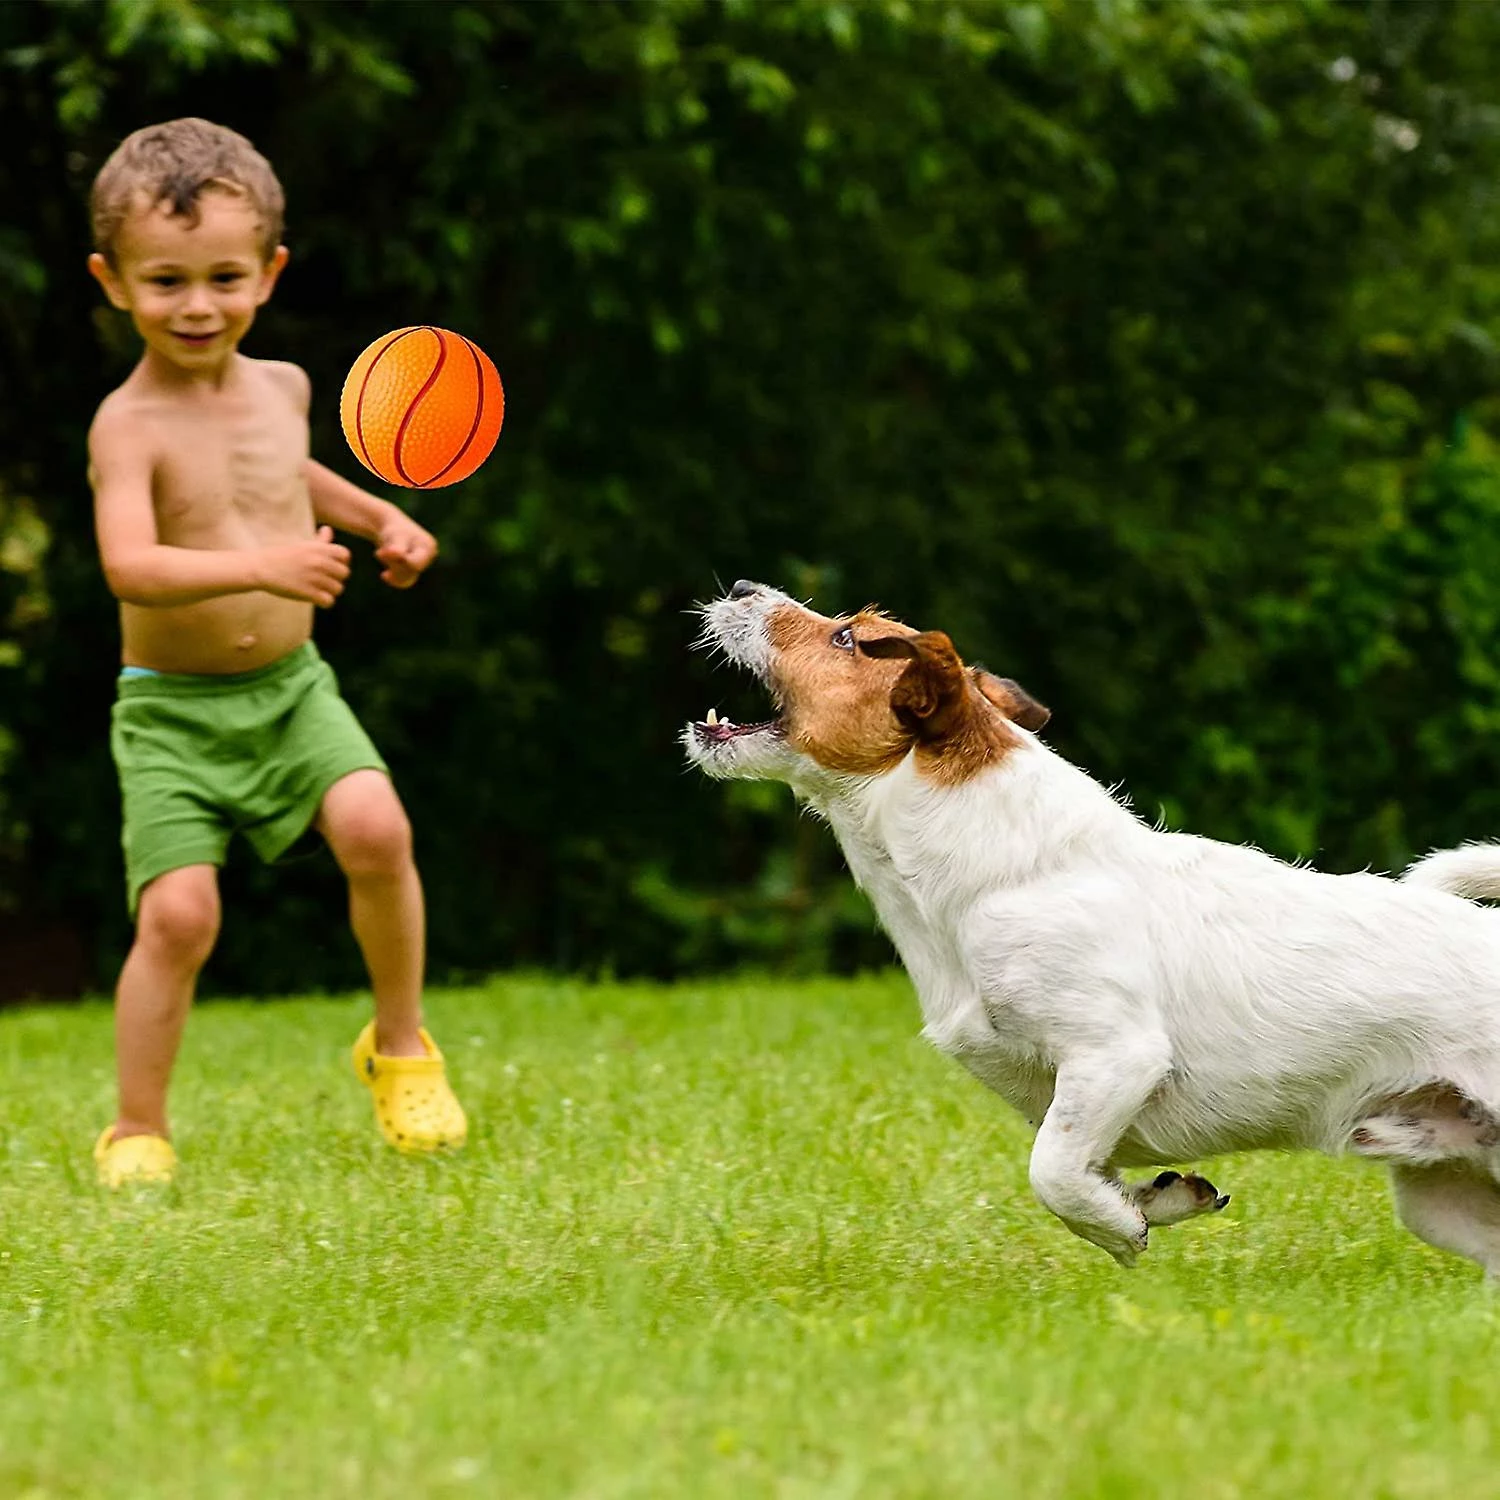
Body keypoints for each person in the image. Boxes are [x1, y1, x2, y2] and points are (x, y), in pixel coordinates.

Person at [84, 117, 466, 1187]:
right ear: (113, 282)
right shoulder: (128, 426)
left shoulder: (285, 387)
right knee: (178, 913)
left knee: (376, 826)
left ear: (270, 272)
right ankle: (137, 1128)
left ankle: (402, 1049)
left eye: (223, 277)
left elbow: (292, 479)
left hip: (292, 690)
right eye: (165, 281)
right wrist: (261, 568)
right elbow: (129, 564)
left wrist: (379, 517)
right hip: (171, 710)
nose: (197, 304)